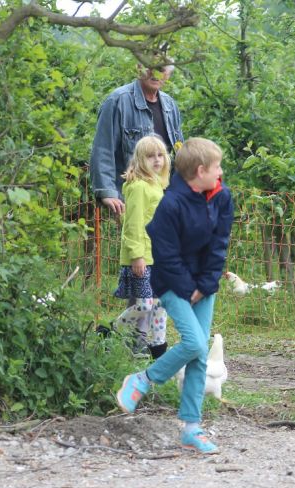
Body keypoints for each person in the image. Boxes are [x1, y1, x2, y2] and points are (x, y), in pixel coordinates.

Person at [115, 137, 234, 454]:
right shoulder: (170, 204)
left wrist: (204, 285)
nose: (220, 172)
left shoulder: (221, 198)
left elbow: (219, 245)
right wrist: (186, 288)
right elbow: (165, 253)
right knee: (195, 344)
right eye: (217, 167)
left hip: (203, 285)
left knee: (199, 354)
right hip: (171, 282)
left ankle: (191, 429)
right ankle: (142, 380)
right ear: (200, 171)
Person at [89, 64, 184, 218]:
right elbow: (103, 149)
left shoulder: (170, 105)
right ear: (139, 68)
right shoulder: (118, 101)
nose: (156, 74)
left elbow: (179, 153)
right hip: (133, 199)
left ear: (168, 74)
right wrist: (107, 192)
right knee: (136, 234)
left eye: (161, 70)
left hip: (165, 200)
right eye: (151, 68)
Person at [110, 136, 170, 359]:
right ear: (140, 160)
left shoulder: (157, 185)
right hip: (142, 257)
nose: (157, 160)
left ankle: (158, 349)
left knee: (160, 304)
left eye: (161, 155)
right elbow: (132, 224)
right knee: (145, 305)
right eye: (151, 156)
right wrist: (136, 256)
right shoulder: (138, 187)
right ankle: (111, 330)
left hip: (159, 257)